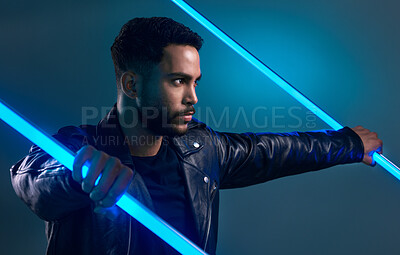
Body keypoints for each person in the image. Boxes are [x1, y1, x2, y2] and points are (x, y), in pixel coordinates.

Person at [10, 17, 382, 255]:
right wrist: (79, 175)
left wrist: (347, 144)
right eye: (177, 81)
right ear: (131, 84)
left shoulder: (200, 151)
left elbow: (273, 151)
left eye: (194, 82)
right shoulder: (79, 148)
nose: (193, 97)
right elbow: (32, 179)